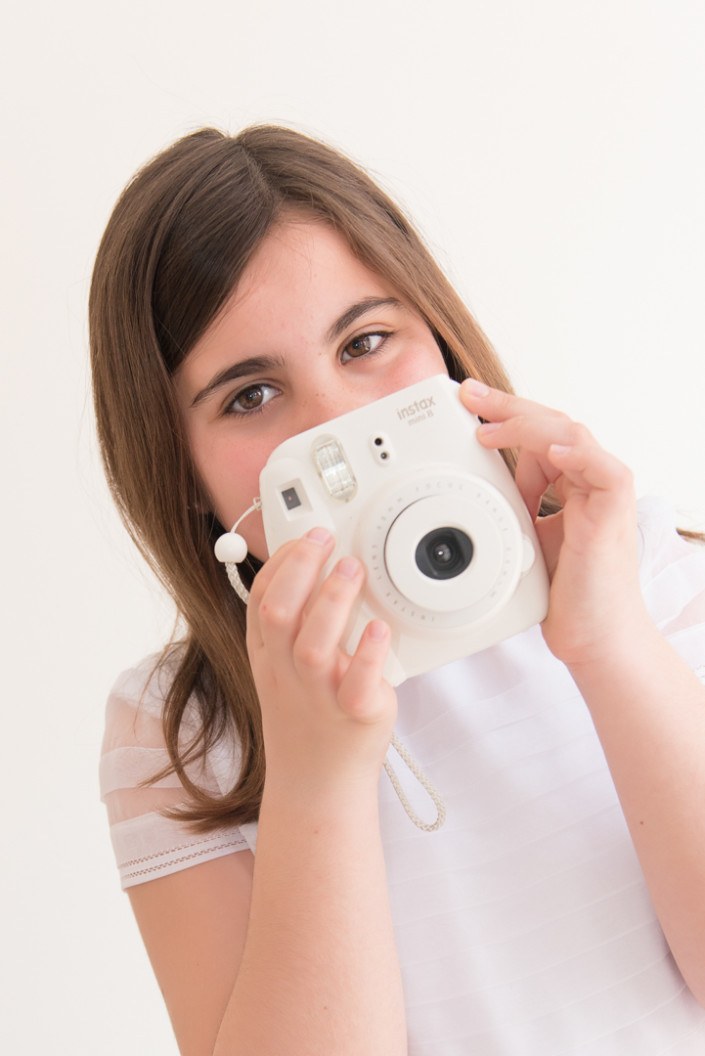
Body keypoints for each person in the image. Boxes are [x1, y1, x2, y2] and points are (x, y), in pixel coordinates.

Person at [91, 125, 705, 1056]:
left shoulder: (641, 563)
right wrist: (316, 777)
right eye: (250, 396)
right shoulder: (180, 734)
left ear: (445, 345)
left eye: (367, 341)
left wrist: (610, 642)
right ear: (181, 470)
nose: (342, 422)